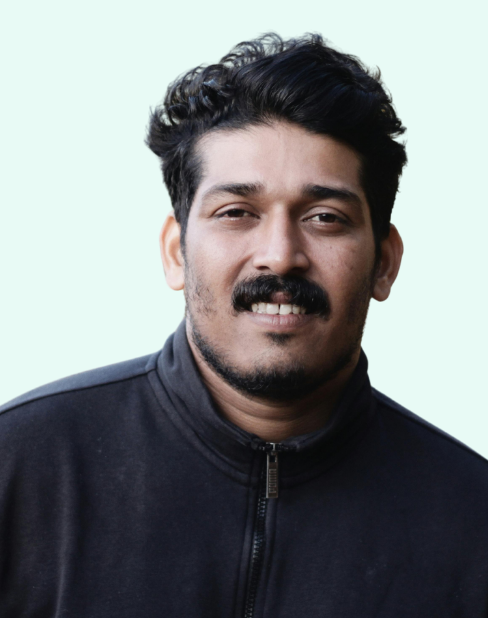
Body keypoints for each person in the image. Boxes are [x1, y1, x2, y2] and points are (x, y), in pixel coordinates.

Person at [1, 33, 487, 617]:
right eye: (236, 213)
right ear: (177, 252)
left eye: (325, 218)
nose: (279, 256)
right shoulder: (20, 470)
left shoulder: (473, 522)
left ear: (384, 262)